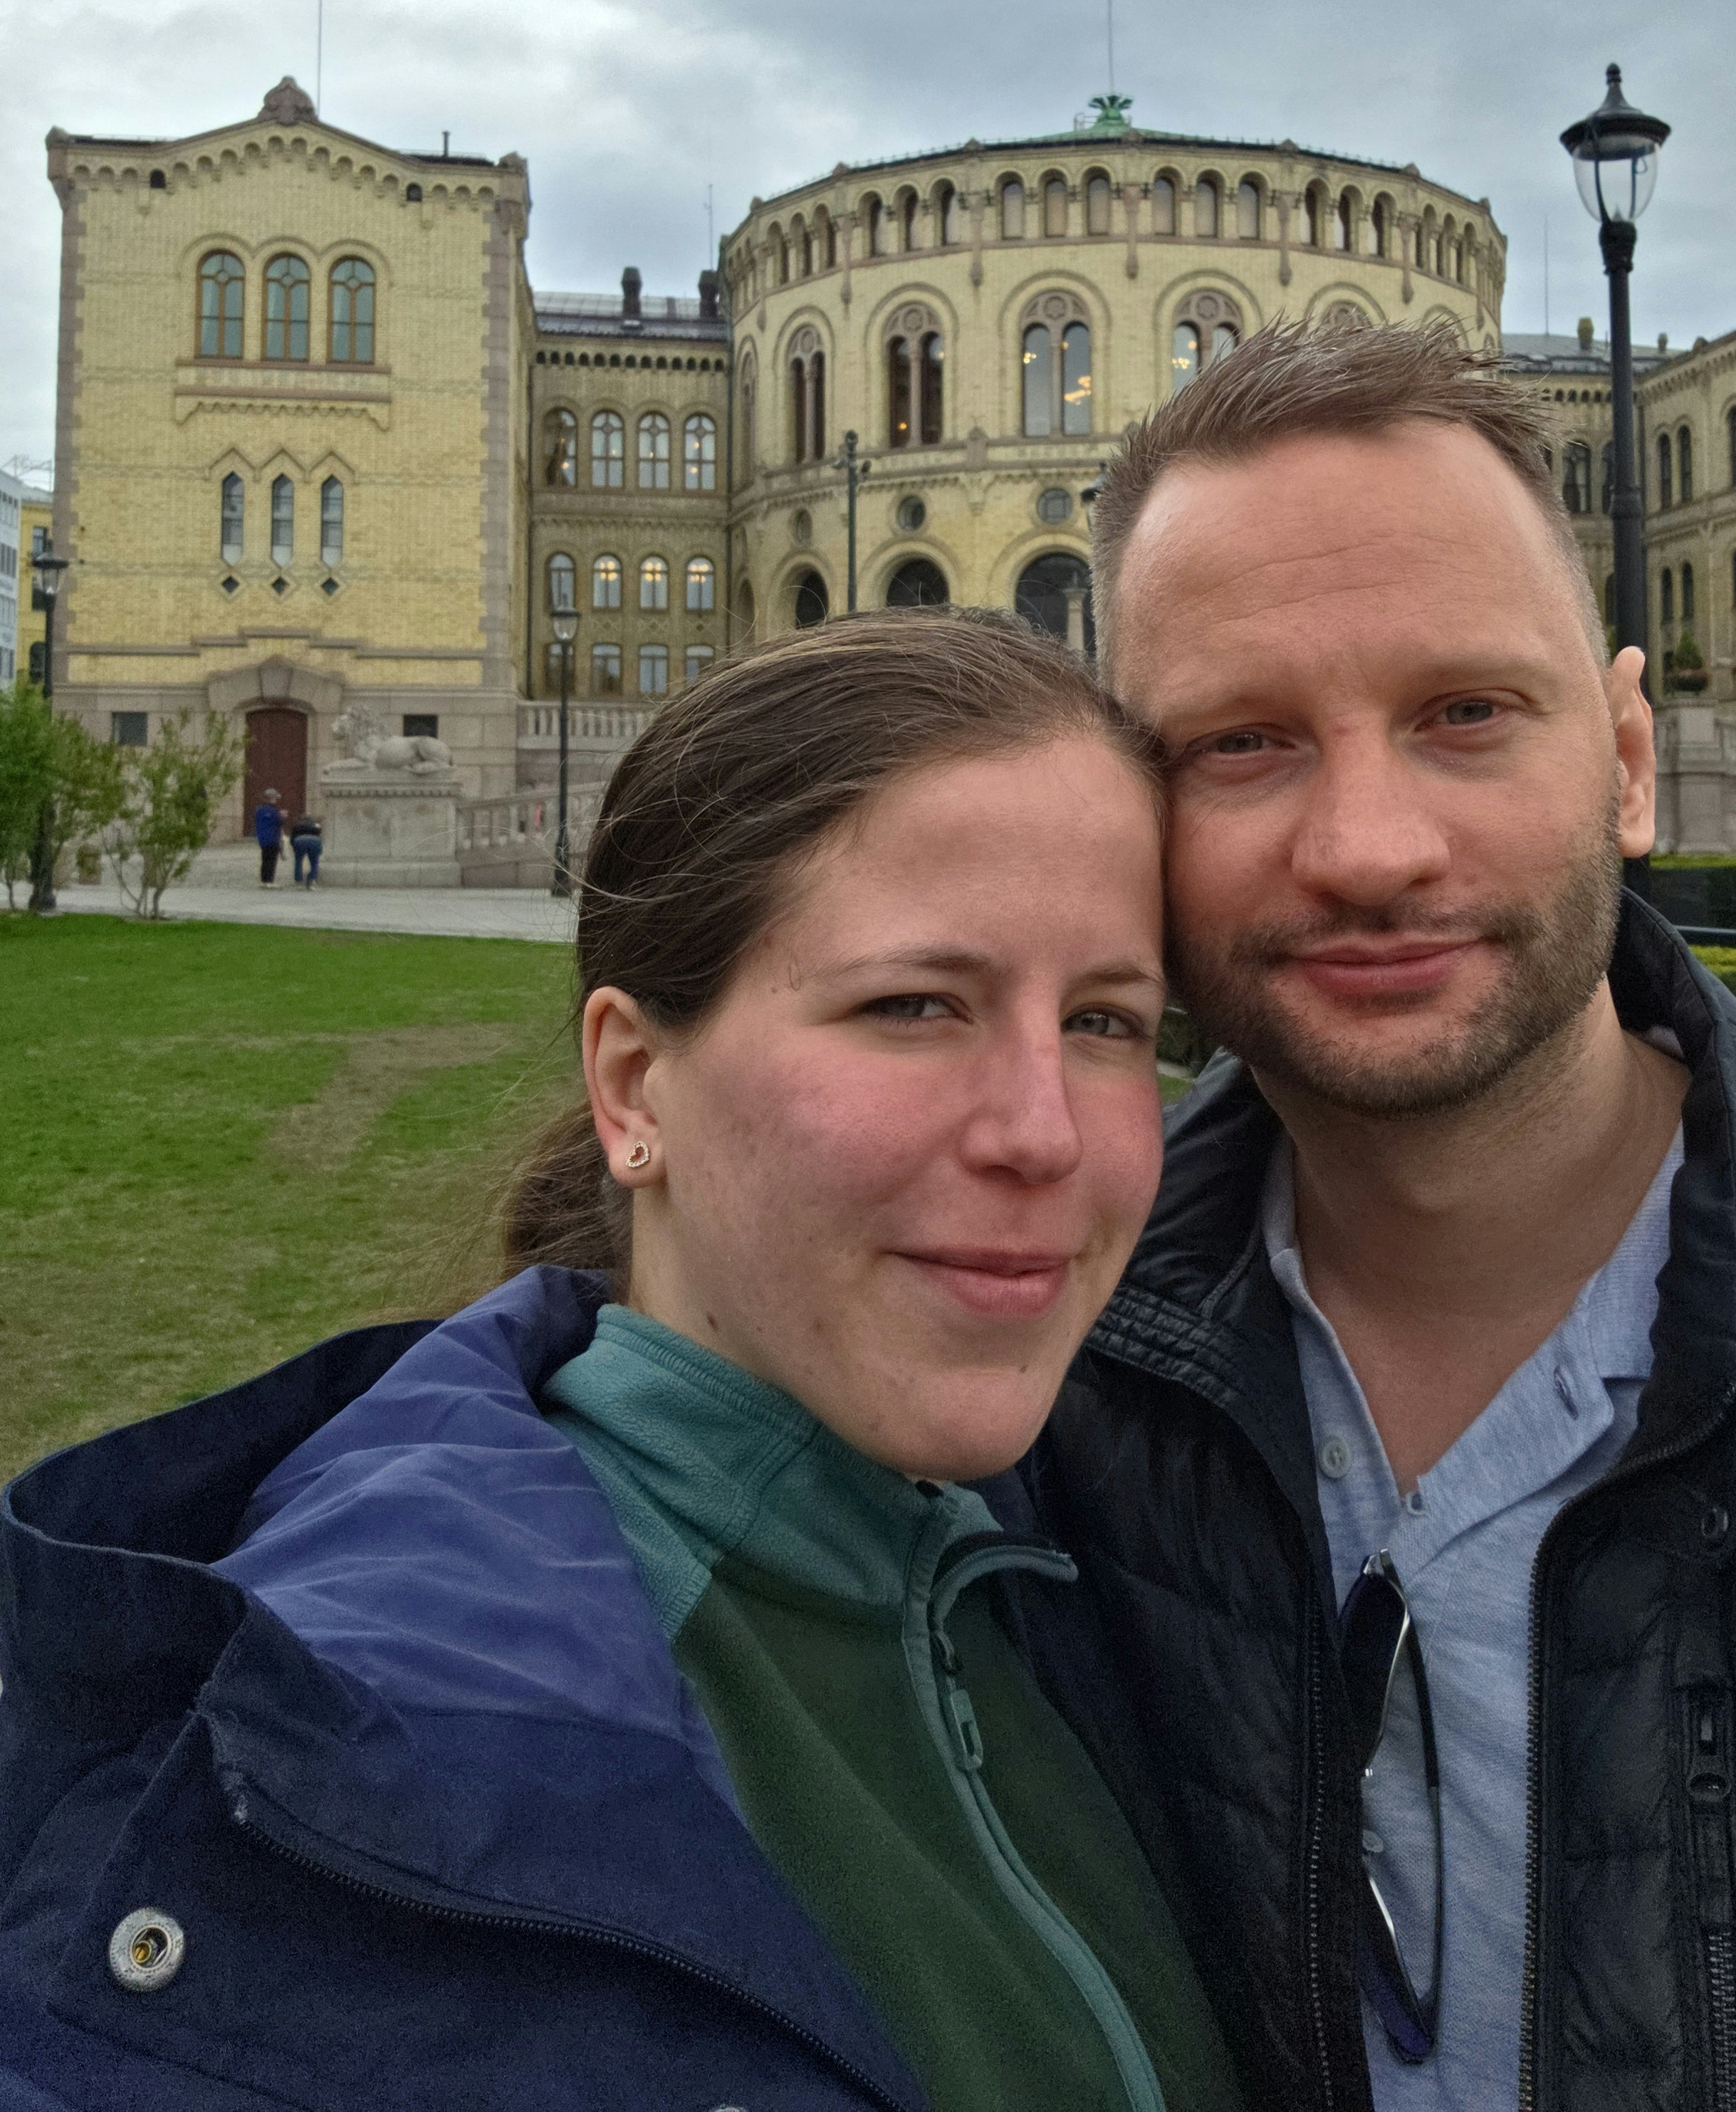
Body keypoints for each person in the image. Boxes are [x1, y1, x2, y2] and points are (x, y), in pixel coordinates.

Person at [1003, 320, 1736, 2111]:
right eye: (1239, 741)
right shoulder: (1014, 1401)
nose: (1365, 844)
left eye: (1464, 712)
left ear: (1624, 753)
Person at [0, 615, 1244, 2112]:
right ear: (633, 1082)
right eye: (914, 1003)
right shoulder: (339, 1779)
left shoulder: (1134, 1570)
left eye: (1109, 1020)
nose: (1044, 1130)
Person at [251, 785, 284, 886]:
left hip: (262, 839)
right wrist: (283, 816)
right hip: (273, 838)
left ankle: (263, 881)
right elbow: (279, 822)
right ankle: (270, 881)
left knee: (265, 860)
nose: (276, 801)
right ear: (271, 799)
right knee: (272, 861)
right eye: (275, 799)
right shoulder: (274, 811)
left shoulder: (259, 810)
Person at [288, 804, 323, 887]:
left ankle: (299, 881)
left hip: (300, 840)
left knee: (299, 861)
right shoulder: (315, 825)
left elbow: (292, 837)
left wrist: (294, 847)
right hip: (314, 841)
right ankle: (312, 880)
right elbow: (319, 834)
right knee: (314, 862)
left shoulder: (297, 825)